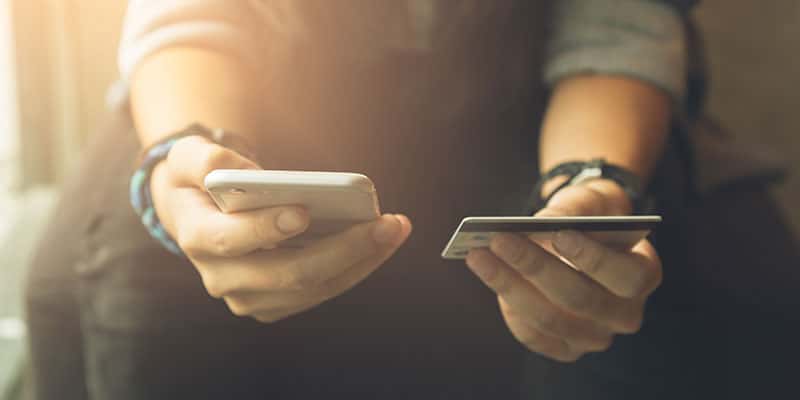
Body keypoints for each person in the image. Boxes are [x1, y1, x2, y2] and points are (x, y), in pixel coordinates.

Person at [22, 1, 800, 399]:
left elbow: (616, 24)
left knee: (697, 287)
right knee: (133, 274)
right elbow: (192, 17)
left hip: (536, 100)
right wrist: (181, 157)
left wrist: (591, 182)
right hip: (256, 95)